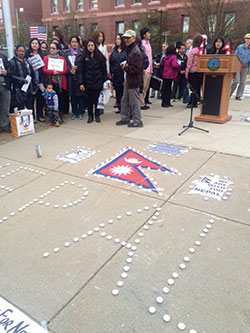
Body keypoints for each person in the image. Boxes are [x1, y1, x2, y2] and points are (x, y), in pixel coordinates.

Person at [116, 29, 143, 128]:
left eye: (128, 38)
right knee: (125, 99)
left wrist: (126, 67)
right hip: (129, 79)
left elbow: (136, 68)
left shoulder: (135, 51)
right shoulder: (130, 50)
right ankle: (125, 118)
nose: (126, 40)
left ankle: (137, 120)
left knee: (134, 101)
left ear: (134, 39)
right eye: (125, 38)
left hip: (134, 79)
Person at [78, 39, 107, 123]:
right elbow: (80, 71)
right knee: (89, 101)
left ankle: (97, 115)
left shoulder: (100, 57)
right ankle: (90, 116)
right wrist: (81, 83)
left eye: (92, 45)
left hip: (98, 81)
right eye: (89, 46)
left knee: (97, 100)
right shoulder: (83, 57)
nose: (90, 47)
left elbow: (104, 70)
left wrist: (105, 81)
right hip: (88, 82)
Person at [43, 41, 68, 121]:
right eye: (50, 48)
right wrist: (52, 71)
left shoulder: (62, 58)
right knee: (50, 99)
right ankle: (51, 115)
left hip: (60, 82)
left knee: (60, 98)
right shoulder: (46, 58)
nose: (52, 50)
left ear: (57, 50)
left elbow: (65, 70)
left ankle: (60, 114)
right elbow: (44, 70)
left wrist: (58, 72)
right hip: (50, 81)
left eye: (54, 48)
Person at [9, 45, 37, 112]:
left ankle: (31, 120)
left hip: (29, 88)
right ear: (16, 51)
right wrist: (22, 80)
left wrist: (34, 87)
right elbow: (11, 75)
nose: (22, 53)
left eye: (23, 51)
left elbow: (32, 75)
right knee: (21, 107)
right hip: (19, 88)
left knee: (30, 106)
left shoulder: (27, 61)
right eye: (20, 51)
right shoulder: (12, 62)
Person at [26, 38, 45, 122]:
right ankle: (32, 117)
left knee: (40, 99)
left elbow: (44, 69)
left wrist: (42, 81)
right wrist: (31, 69)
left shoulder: (42, 56)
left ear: (39, 45)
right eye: (33, 43)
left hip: (40, 79)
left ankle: (40, 115)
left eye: (36, 43)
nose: (34, 44)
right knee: (31, 100)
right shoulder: (27, 56)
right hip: (31, 81)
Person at [65, 36, 84, 120]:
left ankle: (80, 112)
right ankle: (74, 112)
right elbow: (65, 64)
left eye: (76, 42)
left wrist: (77, 67)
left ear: (78, 43)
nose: (74, 44)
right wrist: (70, 70)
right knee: (72, 96)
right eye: (72, 42)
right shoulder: (66, 53)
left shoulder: (82, 52)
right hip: (70, 77)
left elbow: (84, 64)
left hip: (80, 76)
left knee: (80, 96)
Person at [93, 30, 109, 116]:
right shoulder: (93, 46)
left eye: (102, 36)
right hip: (94, 71)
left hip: (102, 71)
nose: (101, 38)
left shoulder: (104, 47)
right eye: (99, 36)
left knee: (102, 91)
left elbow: (106, 60)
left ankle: (101, 107)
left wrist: (107, 72)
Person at [109, 34, 127, 114]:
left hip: (124, 75)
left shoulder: (126, 50)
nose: (117, 40)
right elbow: (111, 62)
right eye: (116, 39)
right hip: (116, 75)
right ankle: (120, 108)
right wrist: (111, 72)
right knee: (118, 93)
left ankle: (125, 109)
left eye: (119, 39)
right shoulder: (114, 51)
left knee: (124, 93)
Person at [185, 34, 203, 108]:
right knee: (198, 87)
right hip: (200, 71)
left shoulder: (192, 51)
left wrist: (186, 73)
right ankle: (196, 100)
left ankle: (193, 102)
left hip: (193, 71)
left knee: (193, 87)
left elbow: (189, 63)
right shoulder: (203, 51)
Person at [230, 33, 250, 100]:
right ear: (245, 40)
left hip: (245, 66)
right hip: (238, 66)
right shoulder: (240, 47)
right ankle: (229, 93)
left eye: (249, 39)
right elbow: (235, 56)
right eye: (247, 39)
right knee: (236, 80)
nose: (248, 40)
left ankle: (238, 95)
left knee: (243, 82)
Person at [140, 27, 153, 110]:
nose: (149, 34)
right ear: (144, 34)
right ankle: (141, 103)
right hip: (144, 69)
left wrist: (151, 68)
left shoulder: (149, 44)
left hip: (149, 69)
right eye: (148, 33)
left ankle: (143, 101)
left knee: (146, 87)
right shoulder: (142, 44)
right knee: (143, 86)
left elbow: (150, 57)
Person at [0, 51, 11, 132]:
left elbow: (10, 70)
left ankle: (4, 125)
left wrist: (7, 72)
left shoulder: (4, 57)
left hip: (4, 85)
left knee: (5, 106)